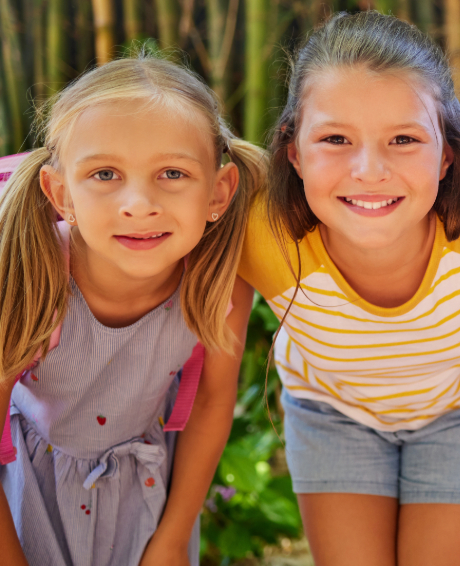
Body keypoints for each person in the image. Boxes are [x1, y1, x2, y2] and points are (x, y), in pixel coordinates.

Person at [237, 11, 460, 566]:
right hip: (330, 411)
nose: (369, 169)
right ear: (293, 151)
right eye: (335, 138)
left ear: (447, 154)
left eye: (403, 139)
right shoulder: (258, 229)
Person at [0, 54, 264, 566]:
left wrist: (171, 537)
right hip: (26, 495)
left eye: (172, 172)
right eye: (104, 173)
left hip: (143, 497)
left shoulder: (219, 285)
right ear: (61, 194)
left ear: (219, 191)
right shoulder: (31, 275)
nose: (139, 203)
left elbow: (211, 404)